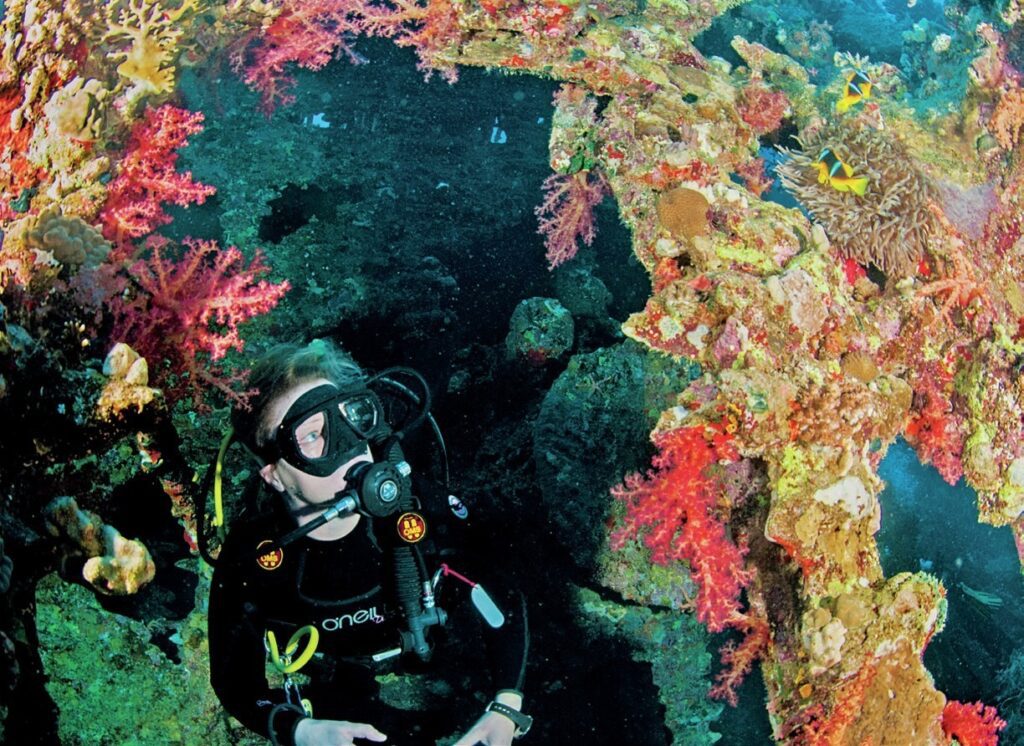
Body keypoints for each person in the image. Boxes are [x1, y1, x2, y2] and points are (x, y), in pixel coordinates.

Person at [207, 340, 530, 746]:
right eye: (313, 436)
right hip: (333, 685)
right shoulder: (253, 557)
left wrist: (505, 706)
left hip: (432, 663)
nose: (348, 447)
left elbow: (500, 591)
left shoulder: (418, 509)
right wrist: (300, 731)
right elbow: (234, 679)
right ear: (274, 475)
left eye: (351, 417)